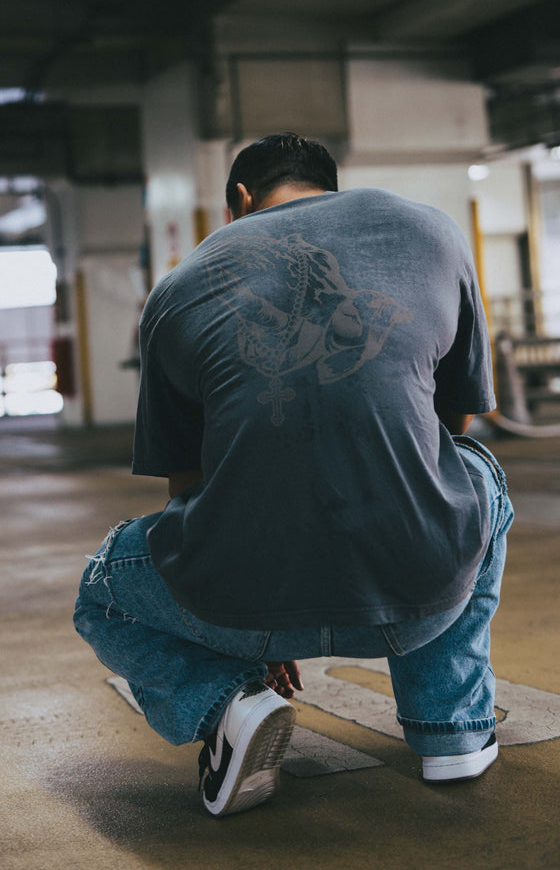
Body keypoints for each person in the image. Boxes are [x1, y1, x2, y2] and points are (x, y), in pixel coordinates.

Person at [74, 133, 513, 817]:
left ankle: (232, 701)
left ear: (240, 200)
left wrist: (258, 621)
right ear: (329, 187)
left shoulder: (178, 286)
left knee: (100, 592)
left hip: (246, 605)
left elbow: (186, 489)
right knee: (476, 474)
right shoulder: (432, 232)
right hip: (420, 582)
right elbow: (455, 424)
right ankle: (450, 728)